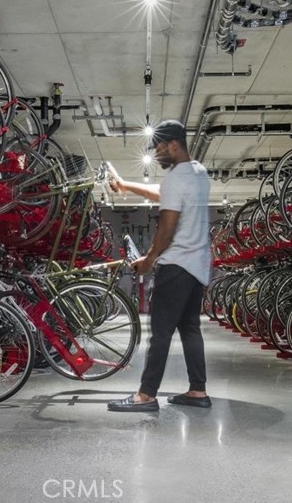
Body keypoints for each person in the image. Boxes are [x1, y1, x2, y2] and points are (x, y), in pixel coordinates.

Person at [106, 120, 212, 412]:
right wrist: (127, 185)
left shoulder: (176, 179)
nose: (157, 154)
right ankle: (198, 391)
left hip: (175, 265)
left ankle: (146, 395)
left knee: (161, 331)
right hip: (196, 267)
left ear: (173, 145)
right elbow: (161, 191)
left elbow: (166, 229)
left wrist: (149, 260)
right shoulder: (198, 173)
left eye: (159, 148)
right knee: (190, 329)